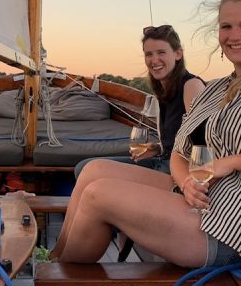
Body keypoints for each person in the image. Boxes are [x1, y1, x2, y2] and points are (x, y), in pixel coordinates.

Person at [52, 0, 241, 267]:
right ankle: (51, 262)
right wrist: (185, 181)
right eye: (226, 27)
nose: (234, 36)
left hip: (228, 224)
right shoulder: (216, 90)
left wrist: (233, 162)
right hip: (196, 197)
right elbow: (180, 151)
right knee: (93, 170)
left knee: (98, 195)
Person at [73, 24, 204, 176]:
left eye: (161, 52)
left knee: (95, 177)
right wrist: (157, 148)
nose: (154, 60)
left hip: (177, 172)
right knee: (83, 167)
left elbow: (202, 145)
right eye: (149, 54)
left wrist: (191, 185)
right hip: (162, 160)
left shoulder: (192, 86)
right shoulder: (163, 91)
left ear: (178, 54)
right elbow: (176, 141)